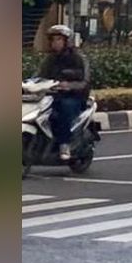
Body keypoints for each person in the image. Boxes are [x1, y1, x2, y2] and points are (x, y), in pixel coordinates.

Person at [38, 25, 91, 161]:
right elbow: (39, 77)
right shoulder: (49, 59)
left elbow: (85, 82)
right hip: (52, 96)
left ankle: (64, 144)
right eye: (53, 40)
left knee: (64, 109)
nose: (55, 43)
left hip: (74, 97)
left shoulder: (78, 58)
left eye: (59, 39)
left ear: (67, 41)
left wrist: (69, 86)